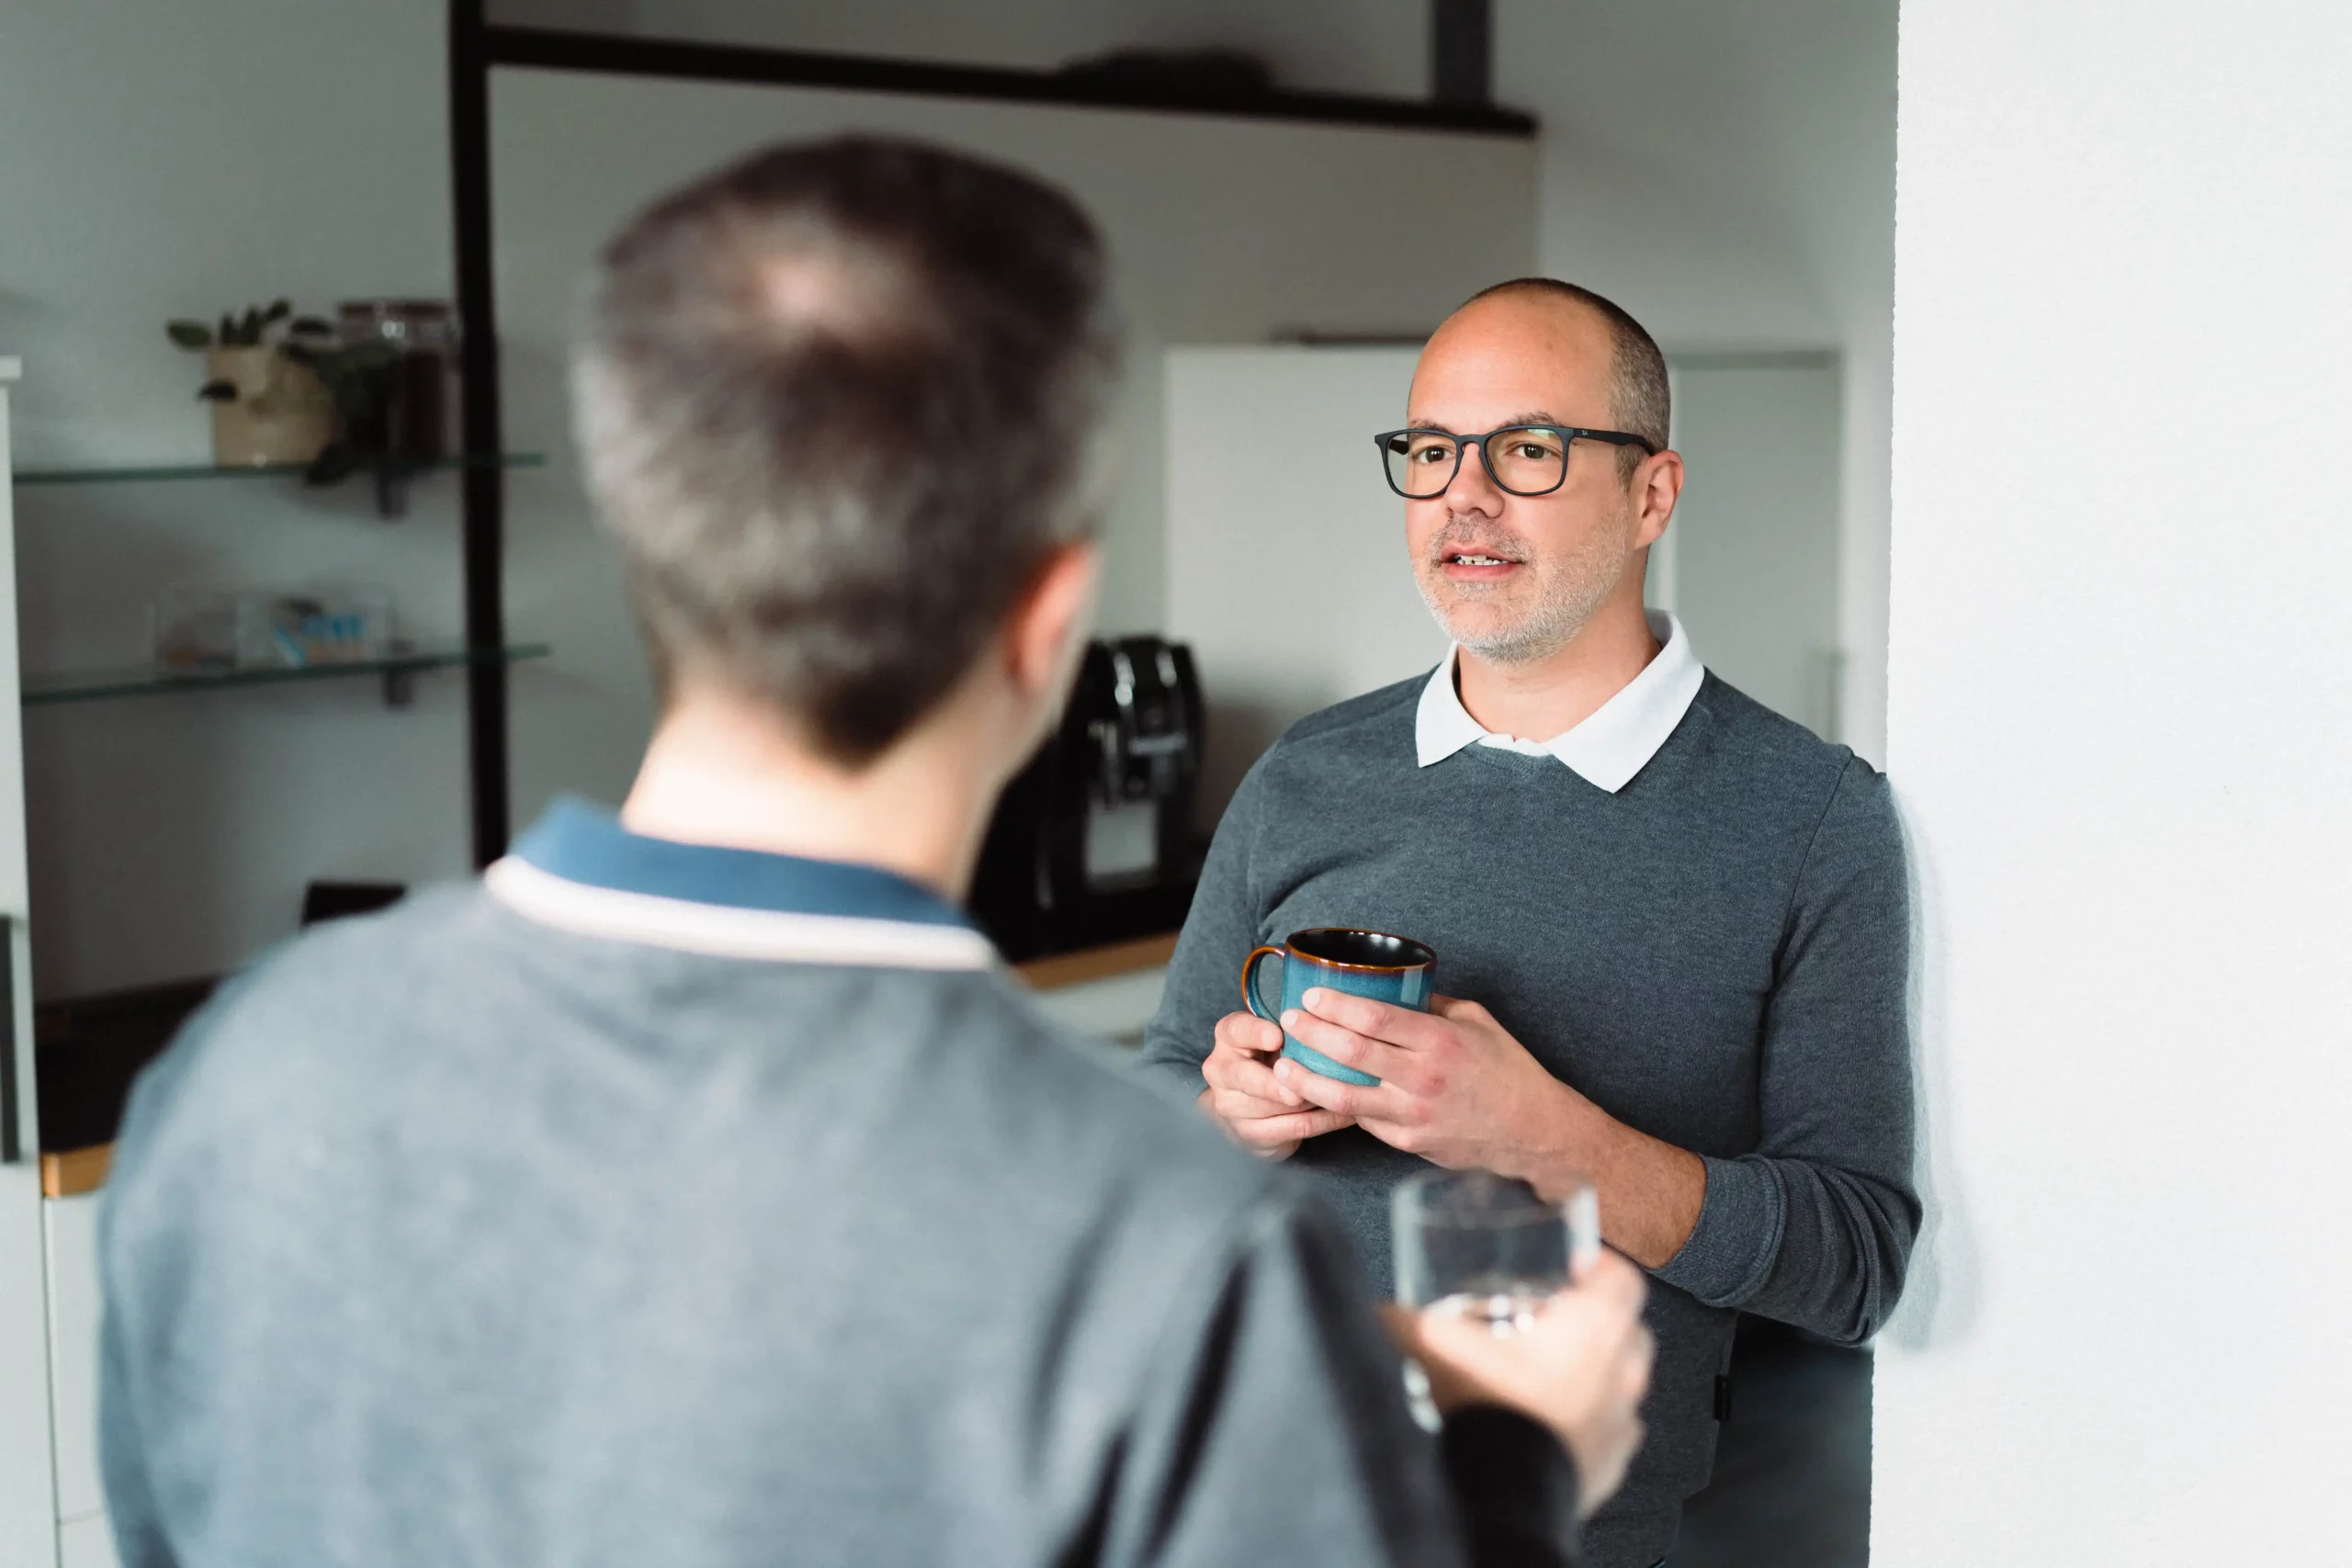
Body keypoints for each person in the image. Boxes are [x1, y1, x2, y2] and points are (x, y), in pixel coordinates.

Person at [96, 141, 1653, 1568]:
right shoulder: (1161, 1242)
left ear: (657, 539)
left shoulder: (241, 1079)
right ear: (1052, 622)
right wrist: (1524, 1455)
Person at [1139, 277, 1918, 1568]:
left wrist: (1554, 1141)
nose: (1463, 496)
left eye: (1529, 450)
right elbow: (1161, 1099)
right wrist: (1224, 1114)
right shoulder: (1305, 775)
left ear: (1652, 493)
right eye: (1433, 450)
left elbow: (1852, 1259)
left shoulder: (1812, 817)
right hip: (1242, 1499)